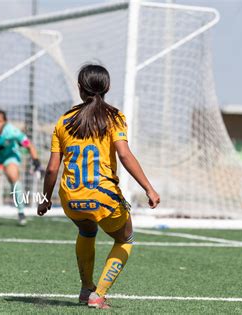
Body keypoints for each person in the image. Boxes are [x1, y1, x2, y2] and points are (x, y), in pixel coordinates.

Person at [37, 64, 160, 309]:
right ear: (108, 87)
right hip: (103, 197)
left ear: (80, 88)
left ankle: (85, 288)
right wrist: (148, 187)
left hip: (71, 199)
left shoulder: (64, 121)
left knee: (86, 231)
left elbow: (52, 169)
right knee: (125, 239)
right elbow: (124, 156)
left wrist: (45, 199)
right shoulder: (114, 117)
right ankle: (98, 294)